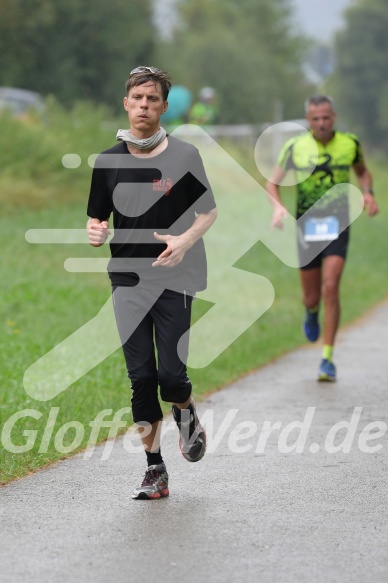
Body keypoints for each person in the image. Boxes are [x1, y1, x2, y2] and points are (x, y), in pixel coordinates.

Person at [86, 66, 217, 499]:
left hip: (176, 275)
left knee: (171, 378)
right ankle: (155, 468)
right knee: (141, 378)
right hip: (127, 278)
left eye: (152, 100)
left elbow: (208, 212)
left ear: (163, 107)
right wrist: (95, 231)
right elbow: (97, 215)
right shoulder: (107, 162)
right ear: (126, 103)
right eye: (137, 98)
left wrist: (183, 240)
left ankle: (185, 410)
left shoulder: (183, 156)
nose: (144, 106)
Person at [266, 94, 379, 382]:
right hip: (306, 225)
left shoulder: (349, 143)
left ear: (334, 116)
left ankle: (327, 358)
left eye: (326, 118)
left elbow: (364, 173)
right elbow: (272, 183)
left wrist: (368, 193)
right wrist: (278, 208)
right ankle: (311, 311)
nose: (321, 123)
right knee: (312, 295)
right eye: (315, 119)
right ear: (308, 120)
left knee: (331, 287)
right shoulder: (295, 147)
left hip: (339, 223)